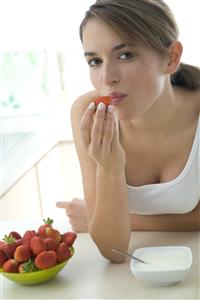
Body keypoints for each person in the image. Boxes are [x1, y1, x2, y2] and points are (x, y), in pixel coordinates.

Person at [56, 0, 200, 263]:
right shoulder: (85, 112)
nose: (107, 77)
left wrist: (100, 218)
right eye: (95, 61)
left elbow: (98, 225)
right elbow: (113, 249)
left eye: (125, 55)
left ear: (171, 58)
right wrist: (110, 169)